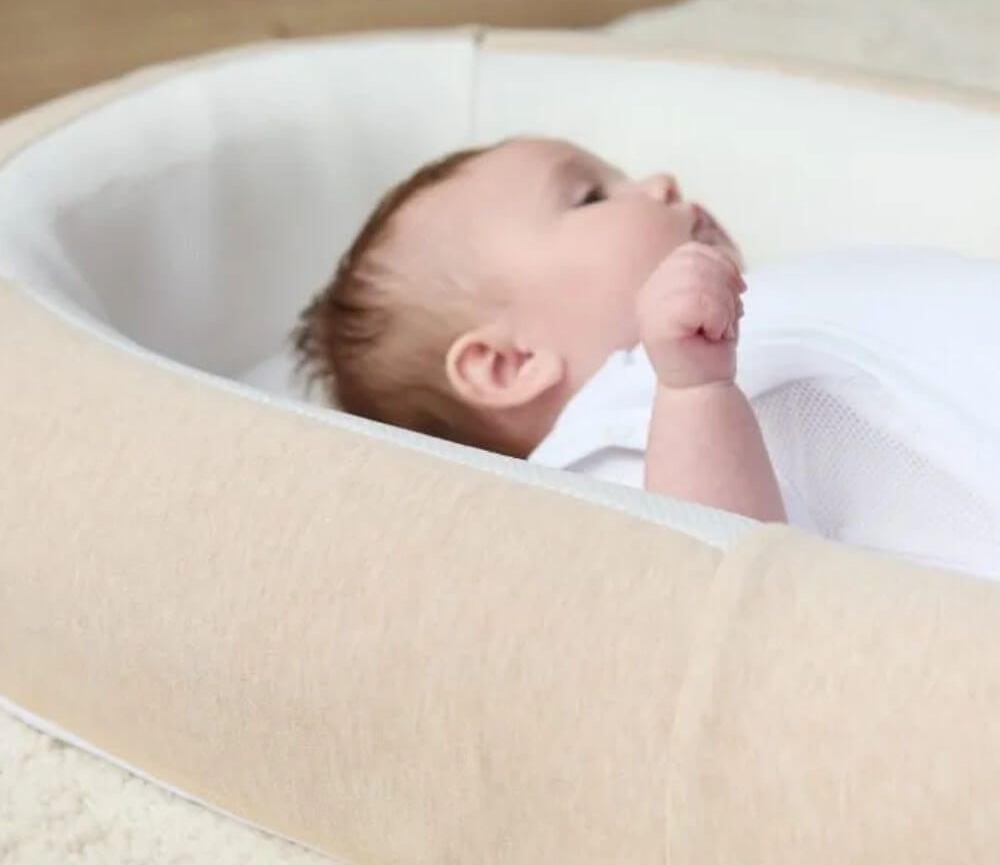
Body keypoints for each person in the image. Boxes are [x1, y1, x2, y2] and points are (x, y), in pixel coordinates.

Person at [293, 136, 1000, 576]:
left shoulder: (761, 300)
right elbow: (721, 584)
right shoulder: (609, 428)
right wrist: (695, 392)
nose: (658, 181)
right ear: (510, 364)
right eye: (592, 195)